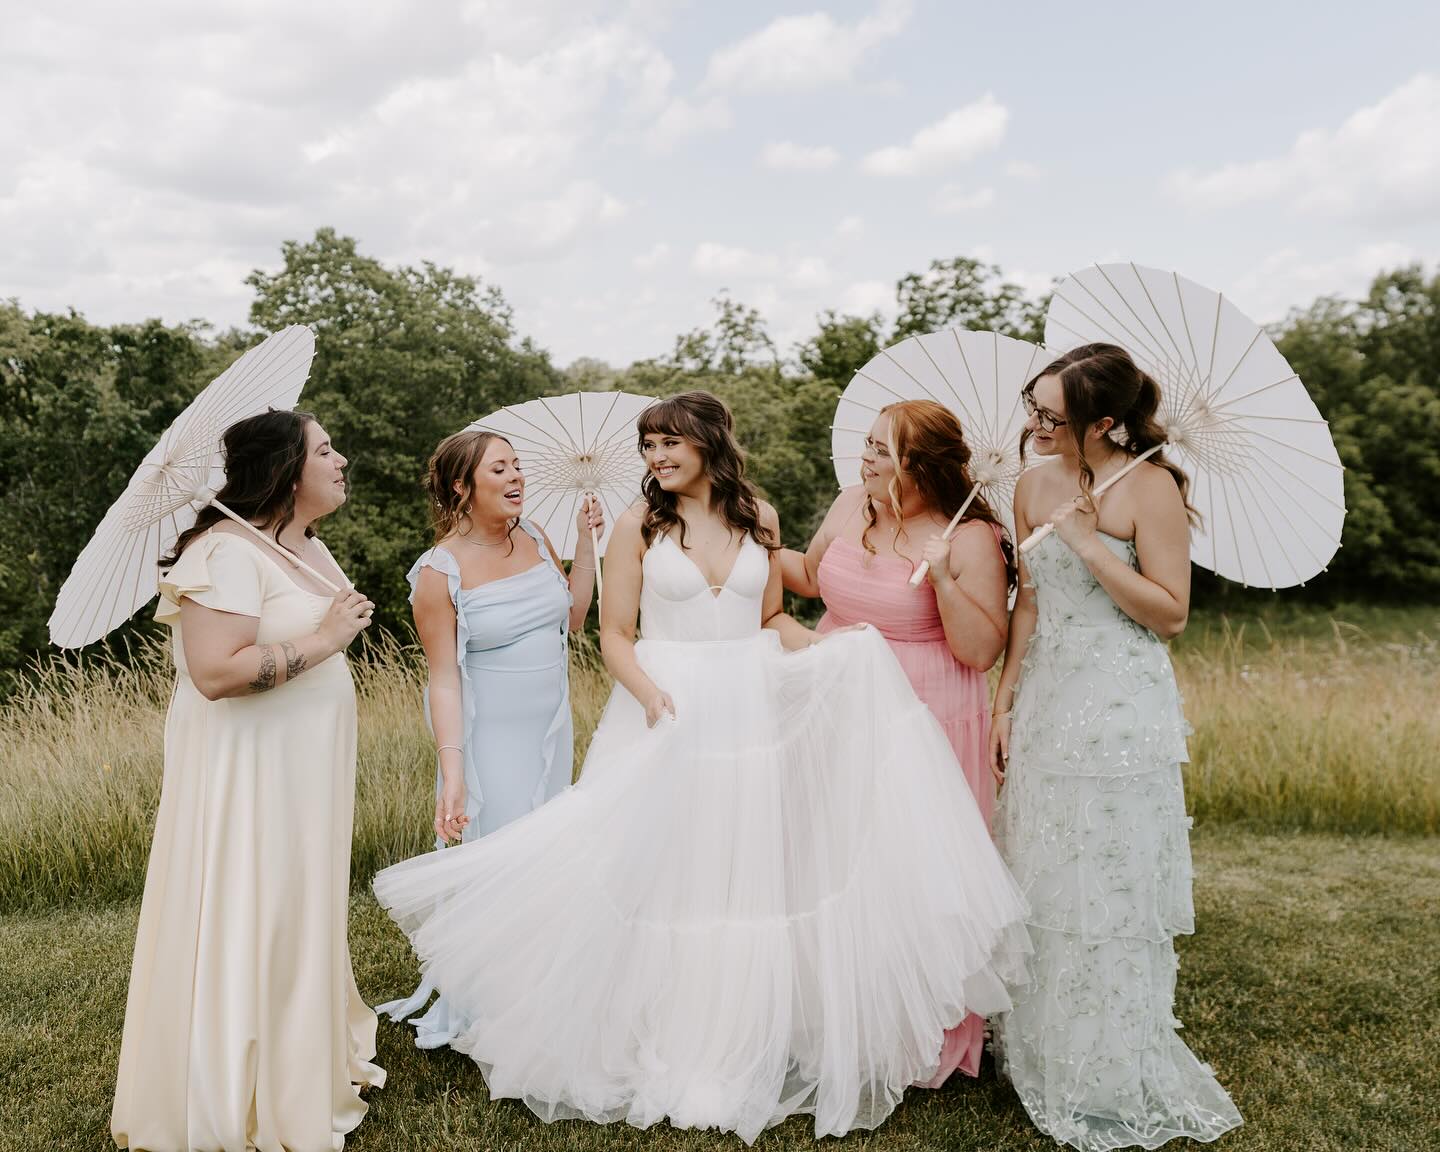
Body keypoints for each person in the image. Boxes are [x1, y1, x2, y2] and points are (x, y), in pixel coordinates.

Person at [372, 391, 1028, 1144]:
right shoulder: (636, 525)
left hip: (748, 712)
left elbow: (774, 618)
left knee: (743, 872)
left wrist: (844, 654)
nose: (656, 457)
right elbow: (614, 634)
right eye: (649, 446)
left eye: (669, 443)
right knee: (654, 871)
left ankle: (738, 1029)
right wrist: (651, 695)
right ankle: (650, 1027)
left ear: (710, 441)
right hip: (665, 708)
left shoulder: (761, 517)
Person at [991, 345, 1243, 1149]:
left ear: (1103, 423)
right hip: (1046, 703)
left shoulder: (1152, 487)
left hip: (1121, 712)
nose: (1031, 425)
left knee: (1111, 883)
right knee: (1046, 875)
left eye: (1048, 416)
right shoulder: (1030, 484)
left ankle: (1107, 1062)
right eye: (1029, 406)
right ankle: (1041, 1048)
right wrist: (1004, 702)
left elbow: (1169, 615)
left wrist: (1094, 544)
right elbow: (1028, 603)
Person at [112, 410, 385, 1151]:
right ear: (288, 469)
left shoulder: (303, 544)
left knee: (296, 907)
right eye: (327, 449)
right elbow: (215, 673)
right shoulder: (225, 552)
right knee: (253, 907)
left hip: (303, 770)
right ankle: (238, 1085)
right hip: (250, 775)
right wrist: (326, 639)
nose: (342, 458)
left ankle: (301, 1057)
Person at [780, 397, 1012, 1084]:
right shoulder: (853, 503)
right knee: (836, 858)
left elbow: (979, 651)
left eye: (884, 448)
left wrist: (941, 577)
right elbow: (807, 576)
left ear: (921, 464)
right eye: (870, 443)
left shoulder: (971, 537)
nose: (867, 456)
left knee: (911, 870)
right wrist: (743, 544)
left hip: (928, 710)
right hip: (838, 699)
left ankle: (923, 1033)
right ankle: (840, 1014)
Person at [377, 428, 603, 1047]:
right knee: (501, 858)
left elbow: (574, 616)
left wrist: (587, 544)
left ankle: (544, 987)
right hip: (488, 736)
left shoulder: (536, 537)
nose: (516, 478)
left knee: (548, 854)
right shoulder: (437, 572)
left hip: (550, 729)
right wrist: (454, 773)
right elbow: (444, 681)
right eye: (499, 469)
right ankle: (490, 1002)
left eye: (517, 466)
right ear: (462, 486)